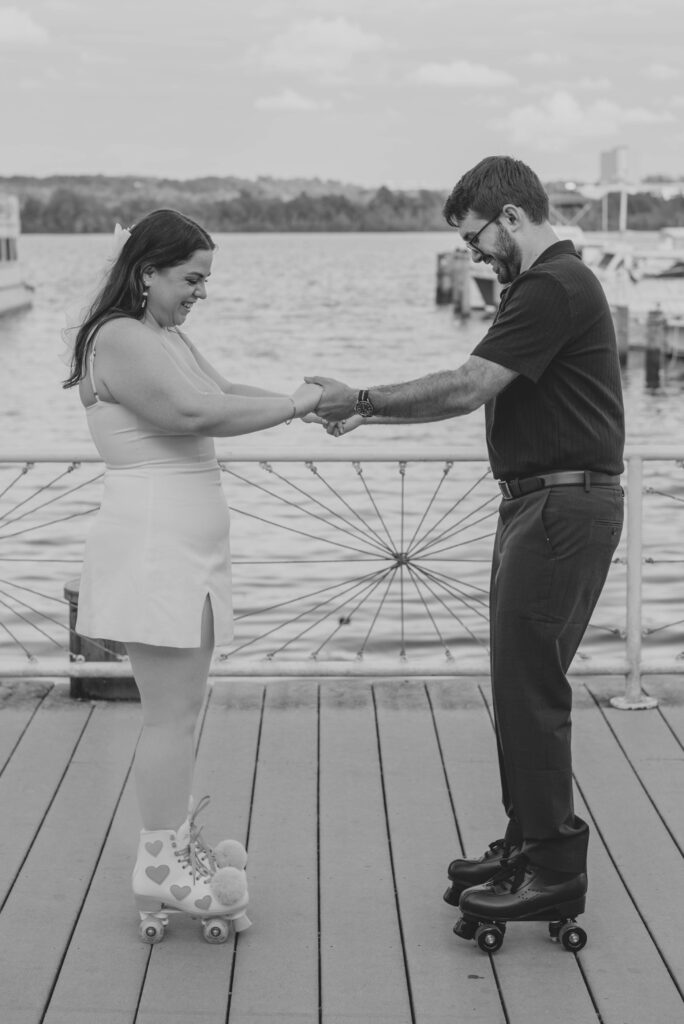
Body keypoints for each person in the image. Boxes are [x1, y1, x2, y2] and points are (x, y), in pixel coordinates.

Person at [307, 156, 625, 936]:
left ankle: (553, 870)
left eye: (478, 239)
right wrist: (371, 411)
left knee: (530, 694)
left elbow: (466, 385)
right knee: (518, 689)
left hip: (560, 506)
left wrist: (364, 400)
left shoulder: (553, 284)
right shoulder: (550, 283)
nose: (475, 255)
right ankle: (528, 846)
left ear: (511, 217)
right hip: (540, 504)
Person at [63, 209, 322, 942]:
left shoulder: (165, 336)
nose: (200, 293)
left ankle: (174, 847)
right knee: (168, 716)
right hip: (154, 548)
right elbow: (187, 412)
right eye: (192, 279)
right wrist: (298, 407)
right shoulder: (117, 337)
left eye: (205, 281)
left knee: (184, 709)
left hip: (187, 550)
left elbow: (223, 389)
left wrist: (301, 402)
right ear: (147, 272)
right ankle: (160, 863)